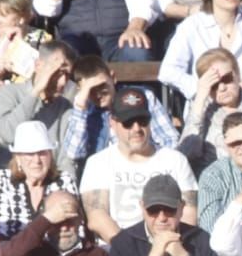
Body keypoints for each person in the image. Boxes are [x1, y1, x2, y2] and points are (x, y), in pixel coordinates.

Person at [81, 87, 199, 241]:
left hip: (171, 247)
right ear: (113, 122)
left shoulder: (175, 160)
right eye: (128, 122)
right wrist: (134, 251)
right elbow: (97, 217)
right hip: (119, 252)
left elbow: (189, 214)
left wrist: (165, 247)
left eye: (142, 120)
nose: (136, 128)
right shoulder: (98, 163)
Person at [59, 56, 182, 169]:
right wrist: (81, 108)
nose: (98, 94)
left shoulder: (141, 98)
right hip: (104, 177)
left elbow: (170, 141)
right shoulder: (84, 113)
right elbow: (73, 154)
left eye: (102, 86)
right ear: (81, 91)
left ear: (113, 78)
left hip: (146, 168)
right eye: (90, 90)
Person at [0, 41, 77, 171]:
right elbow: (8, 135)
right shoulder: (6, 93)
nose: (63, 82)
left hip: (50, 181)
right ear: (38, 65)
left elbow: (67, 159)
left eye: (67, 75)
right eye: (57, 72)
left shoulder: (65, 106)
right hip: (8, 178)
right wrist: (35, 92)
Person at [0, 122, 77, 242]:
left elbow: (76, 230)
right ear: (18, 157)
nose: (37, 160)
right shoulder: (2, 179)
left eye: (42, 153)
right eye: (29, 154)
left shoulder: (64, 180)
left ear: (50, 155)